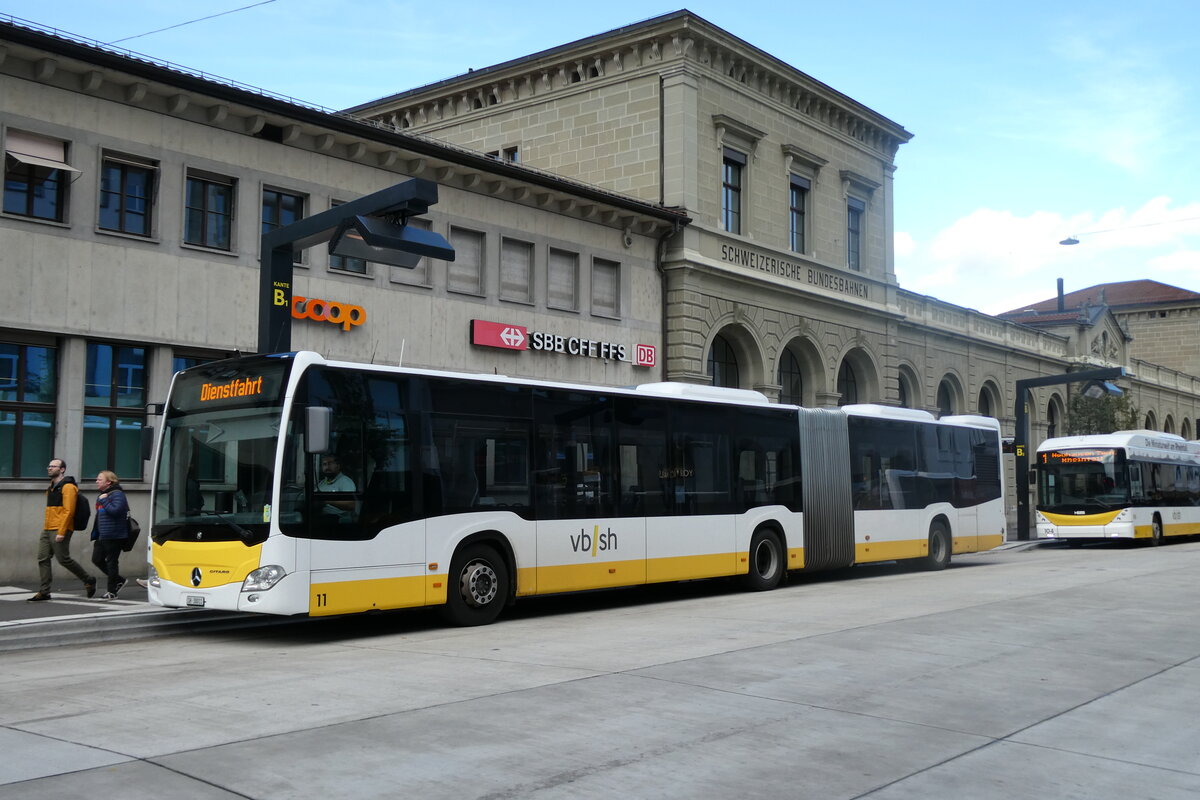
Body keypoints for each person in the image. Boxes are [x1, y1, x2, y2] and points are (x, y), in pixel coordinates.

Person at [29, 458, 97, 601]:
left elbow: (69, 511)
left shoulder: (68, 487)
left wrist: (61, 532)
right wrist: (47, 527)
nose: (49, 468)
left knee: (63, 559)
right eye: (49, 466)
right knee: (42, 558)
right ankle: (44, 591)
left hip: (61, 528)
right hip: (47, 528)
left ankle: (88, 579)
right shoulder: (51, 487)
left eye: (53, 466)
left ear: (62, 469)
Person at [90, 469, 130, 600]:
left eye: (99, 479)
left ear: (108, 482)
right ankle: (119, 580)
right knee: (97, 559)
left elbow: (116, 510)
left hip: (115, 534)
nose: (96, 481)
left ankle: (112, 592)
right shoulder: (103, 495)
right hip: (103, 535)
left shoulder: (117, 494)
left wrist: (104, 501)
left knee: (112, 562)